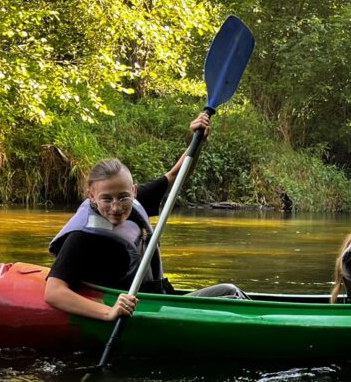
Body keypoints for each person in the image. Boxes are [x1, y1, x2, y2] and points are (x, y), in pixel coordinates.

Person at [45, 112, 248, 321]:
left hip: (160, 303)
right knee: (231, 294)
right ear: (92, 197)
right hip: (139, 314)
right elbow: (53, 291)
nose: (116, 207)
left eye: (123, 197)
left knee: (229, 292)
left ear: (133, 191)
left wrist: (197, 141)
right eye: (107, 199)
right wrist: (109, 312)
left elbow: (177, 175)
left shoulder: (135, 200)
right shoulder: (83, 236)